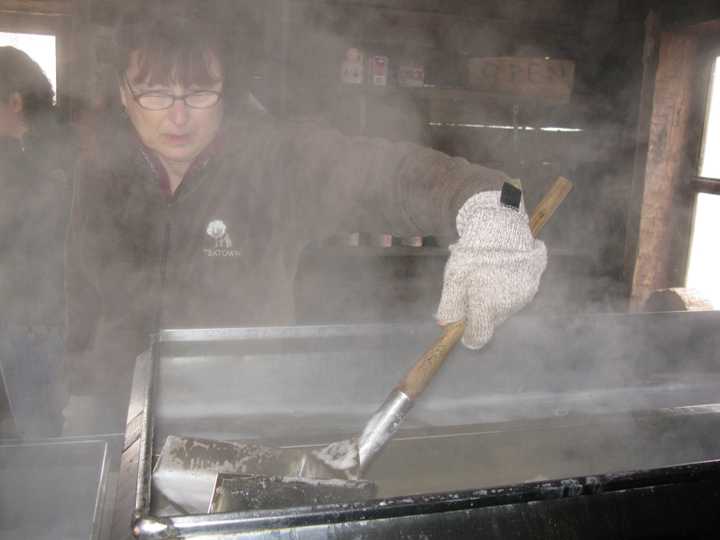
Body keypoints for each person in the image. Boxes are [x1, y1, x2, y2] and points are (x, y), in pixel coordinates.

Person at [64, 7, 547, 431]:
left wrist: (490, 204)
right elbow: (74, 294)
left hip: (245, 420)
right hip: (114, 414)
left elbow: (393, 174)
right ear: (124, 94)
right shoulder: (95, 174)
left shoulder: (275, 161)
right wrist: (78, 393)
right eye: (154, 93)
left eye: (199, 92)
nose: (178, 116)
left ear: (225, 89)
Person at [0, 46, 73, 436]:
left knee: (35, 434)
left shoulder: (20, 158)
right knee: (51, 429)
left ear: (13, 102)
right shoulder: (68, 141)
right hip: (53, 314)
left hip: (28, 319)